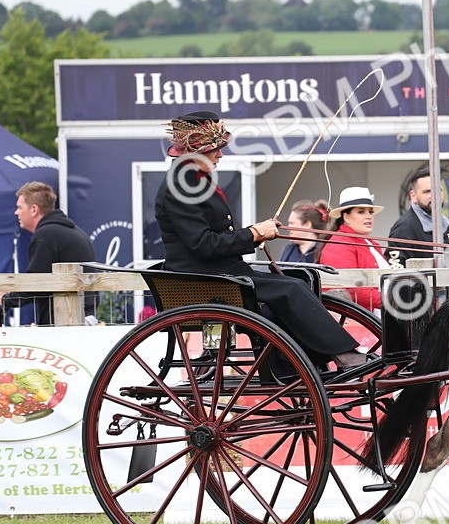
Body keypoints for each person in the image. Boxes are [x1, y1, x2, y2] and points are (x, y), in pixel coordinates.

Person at [153, 110, 365, 369]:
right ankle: (342, 355)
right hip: (206, 280)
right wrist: (253, 233)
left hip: (222, 274)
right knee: (292, 289)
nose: (220, 155)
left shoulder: (193, 181)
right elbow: (204, 244)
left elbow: (216, 237)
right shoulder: (181, 187)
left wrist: (257, 232)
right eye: (215, 150)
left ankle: (302, 368)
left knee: (301, 280)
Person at [0, 181, 96, 325]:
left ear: (34, 209)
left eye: (19, 207)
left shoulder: (45, 235)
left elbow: (36, 283)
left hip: (66, 320)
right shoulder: (74, 231)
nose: (16, 212)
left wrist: (4, 299)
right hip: (83, 316)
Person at [319, 187, 389, 311]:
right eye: (361, 212)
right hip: (356, 317)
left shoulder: (372, 244)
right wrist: (391, 301)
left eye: (370, 212)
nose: (369, 217)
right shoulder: (339, 244)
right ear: (346, 217)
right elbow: (351, 287)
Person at [387, 167, 449, 267]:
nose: (434, 196)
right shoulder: (403, 229)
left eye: (438, 190)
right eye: (427, 191)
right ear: (413, 196)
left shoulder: (446, 225)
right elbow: (396, 273)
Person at [278, 200, 331, 264]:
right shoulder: (288, 250)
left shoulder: (325, 250)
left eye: (292, 223)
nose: (288, 228)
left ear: (307, 224)